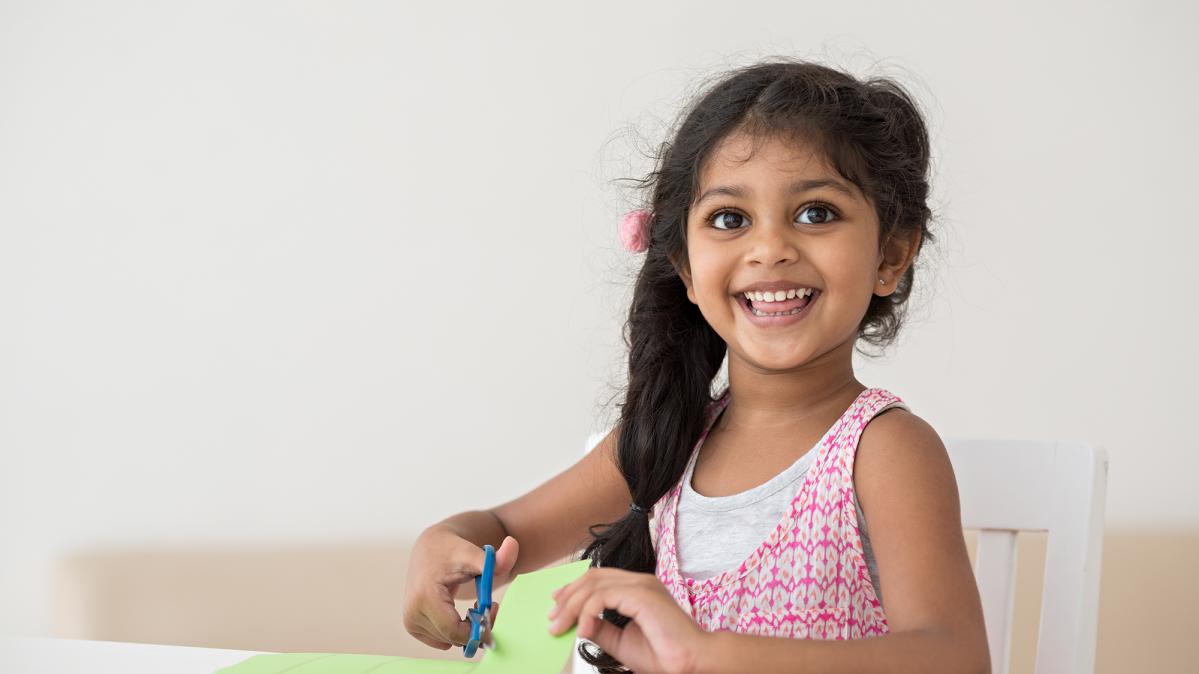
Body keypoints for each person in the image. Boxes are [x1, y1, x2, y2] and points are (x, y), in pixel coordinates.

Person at [401, 58, 990, 674]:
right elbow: (500, 529)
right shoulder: (664, 442)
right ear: (684, 267)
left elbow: (954, 657)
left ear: (890, 256)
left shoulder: (884, 450)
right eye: (730, 220)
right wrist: (438, 547)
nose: (770, 249)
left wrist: (712, 656)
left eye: (816, 212)